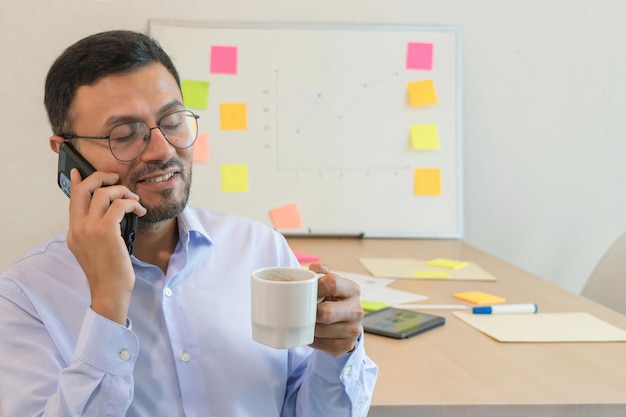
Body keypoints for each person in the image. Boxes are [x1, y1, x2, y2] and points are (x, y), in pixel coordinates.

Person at [0, 30, 378, 417]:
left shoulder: (259, 250)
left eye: (173, 120)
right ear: (67, 153)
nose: (163, 149)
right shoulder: (24, 297)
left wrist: (338, 355)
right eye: (124, 135)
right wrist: (108, 305)